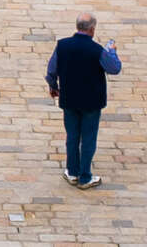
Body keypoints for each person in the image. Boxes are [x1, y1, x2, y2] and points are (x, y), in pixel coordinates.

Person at [46, 13, 122, 189]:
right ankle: (85, 176)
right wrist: (112, 51)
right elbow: (114, 68)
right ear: (92, 29)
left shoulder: (62, 45)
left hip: (69, 98)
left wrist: (53, 85)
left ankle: (72, 172)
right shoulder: (97, 50)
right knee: (88, 138)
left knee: (72, 136)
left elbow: (52, 69)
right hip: (91, 101)